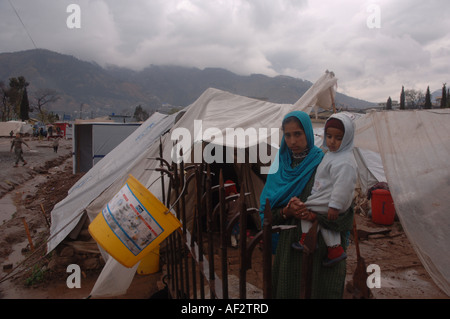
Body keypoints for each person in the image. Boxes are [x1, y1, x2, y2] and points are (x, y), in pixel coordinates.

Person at [259, 110, 354, 299]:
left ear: (308, 134)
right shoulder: (279, 166)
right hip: (289, 251)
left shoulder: (326, 163)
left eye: (298, 134)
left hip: (319, 250)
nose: (292, 141)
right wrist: (287, 210)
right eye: (287, 135)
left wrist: (312, 215)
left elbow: (345, 213)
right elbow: (267, 212)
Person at [291, 113, 357, 268]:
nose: (332, 141)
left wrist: (335, 206)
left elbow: (343, 186)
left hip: (332, 201)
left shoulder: (345, 161)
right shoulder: (333, 155)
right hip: (326, 197)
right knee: (325, 223)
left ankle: (306, 238)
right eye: (329, 136)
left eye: (338, 138)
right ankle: (335, 250)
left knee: (305, 211)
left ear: (347, 138)